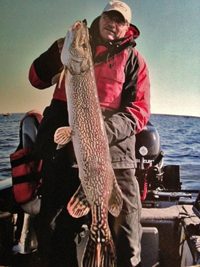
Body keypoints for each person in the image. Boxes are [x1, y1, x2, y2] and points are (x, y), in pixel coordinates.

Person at [29, 1, 150, 267]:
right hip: (64, 157)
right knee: (54, 231)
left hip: (115, 157)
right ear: (101, 18)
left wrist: (104, 131)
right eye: (109, 17)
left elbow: (140, 110)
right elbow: (36, 79)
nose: (113, 24)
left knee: (127, 237)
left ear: (127, 27)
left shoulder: (134, 61)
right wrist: (54, 54)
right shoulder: (69, 53)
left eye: (120, 21)